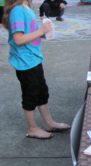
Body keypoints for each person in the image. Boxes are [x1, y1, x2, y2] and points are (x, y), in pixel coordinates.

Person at [2, 0, 70, 139]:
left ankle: (49, 123)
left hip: (33, 59)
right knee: (30, 95)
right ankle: (32, 128)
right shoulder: (18, 11)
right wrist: (40, 31)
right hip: (25, 62)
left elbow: (28, 32)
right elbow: (18, 39)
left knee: (42, 93)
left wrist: (43, 34)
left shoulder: (26, 8)